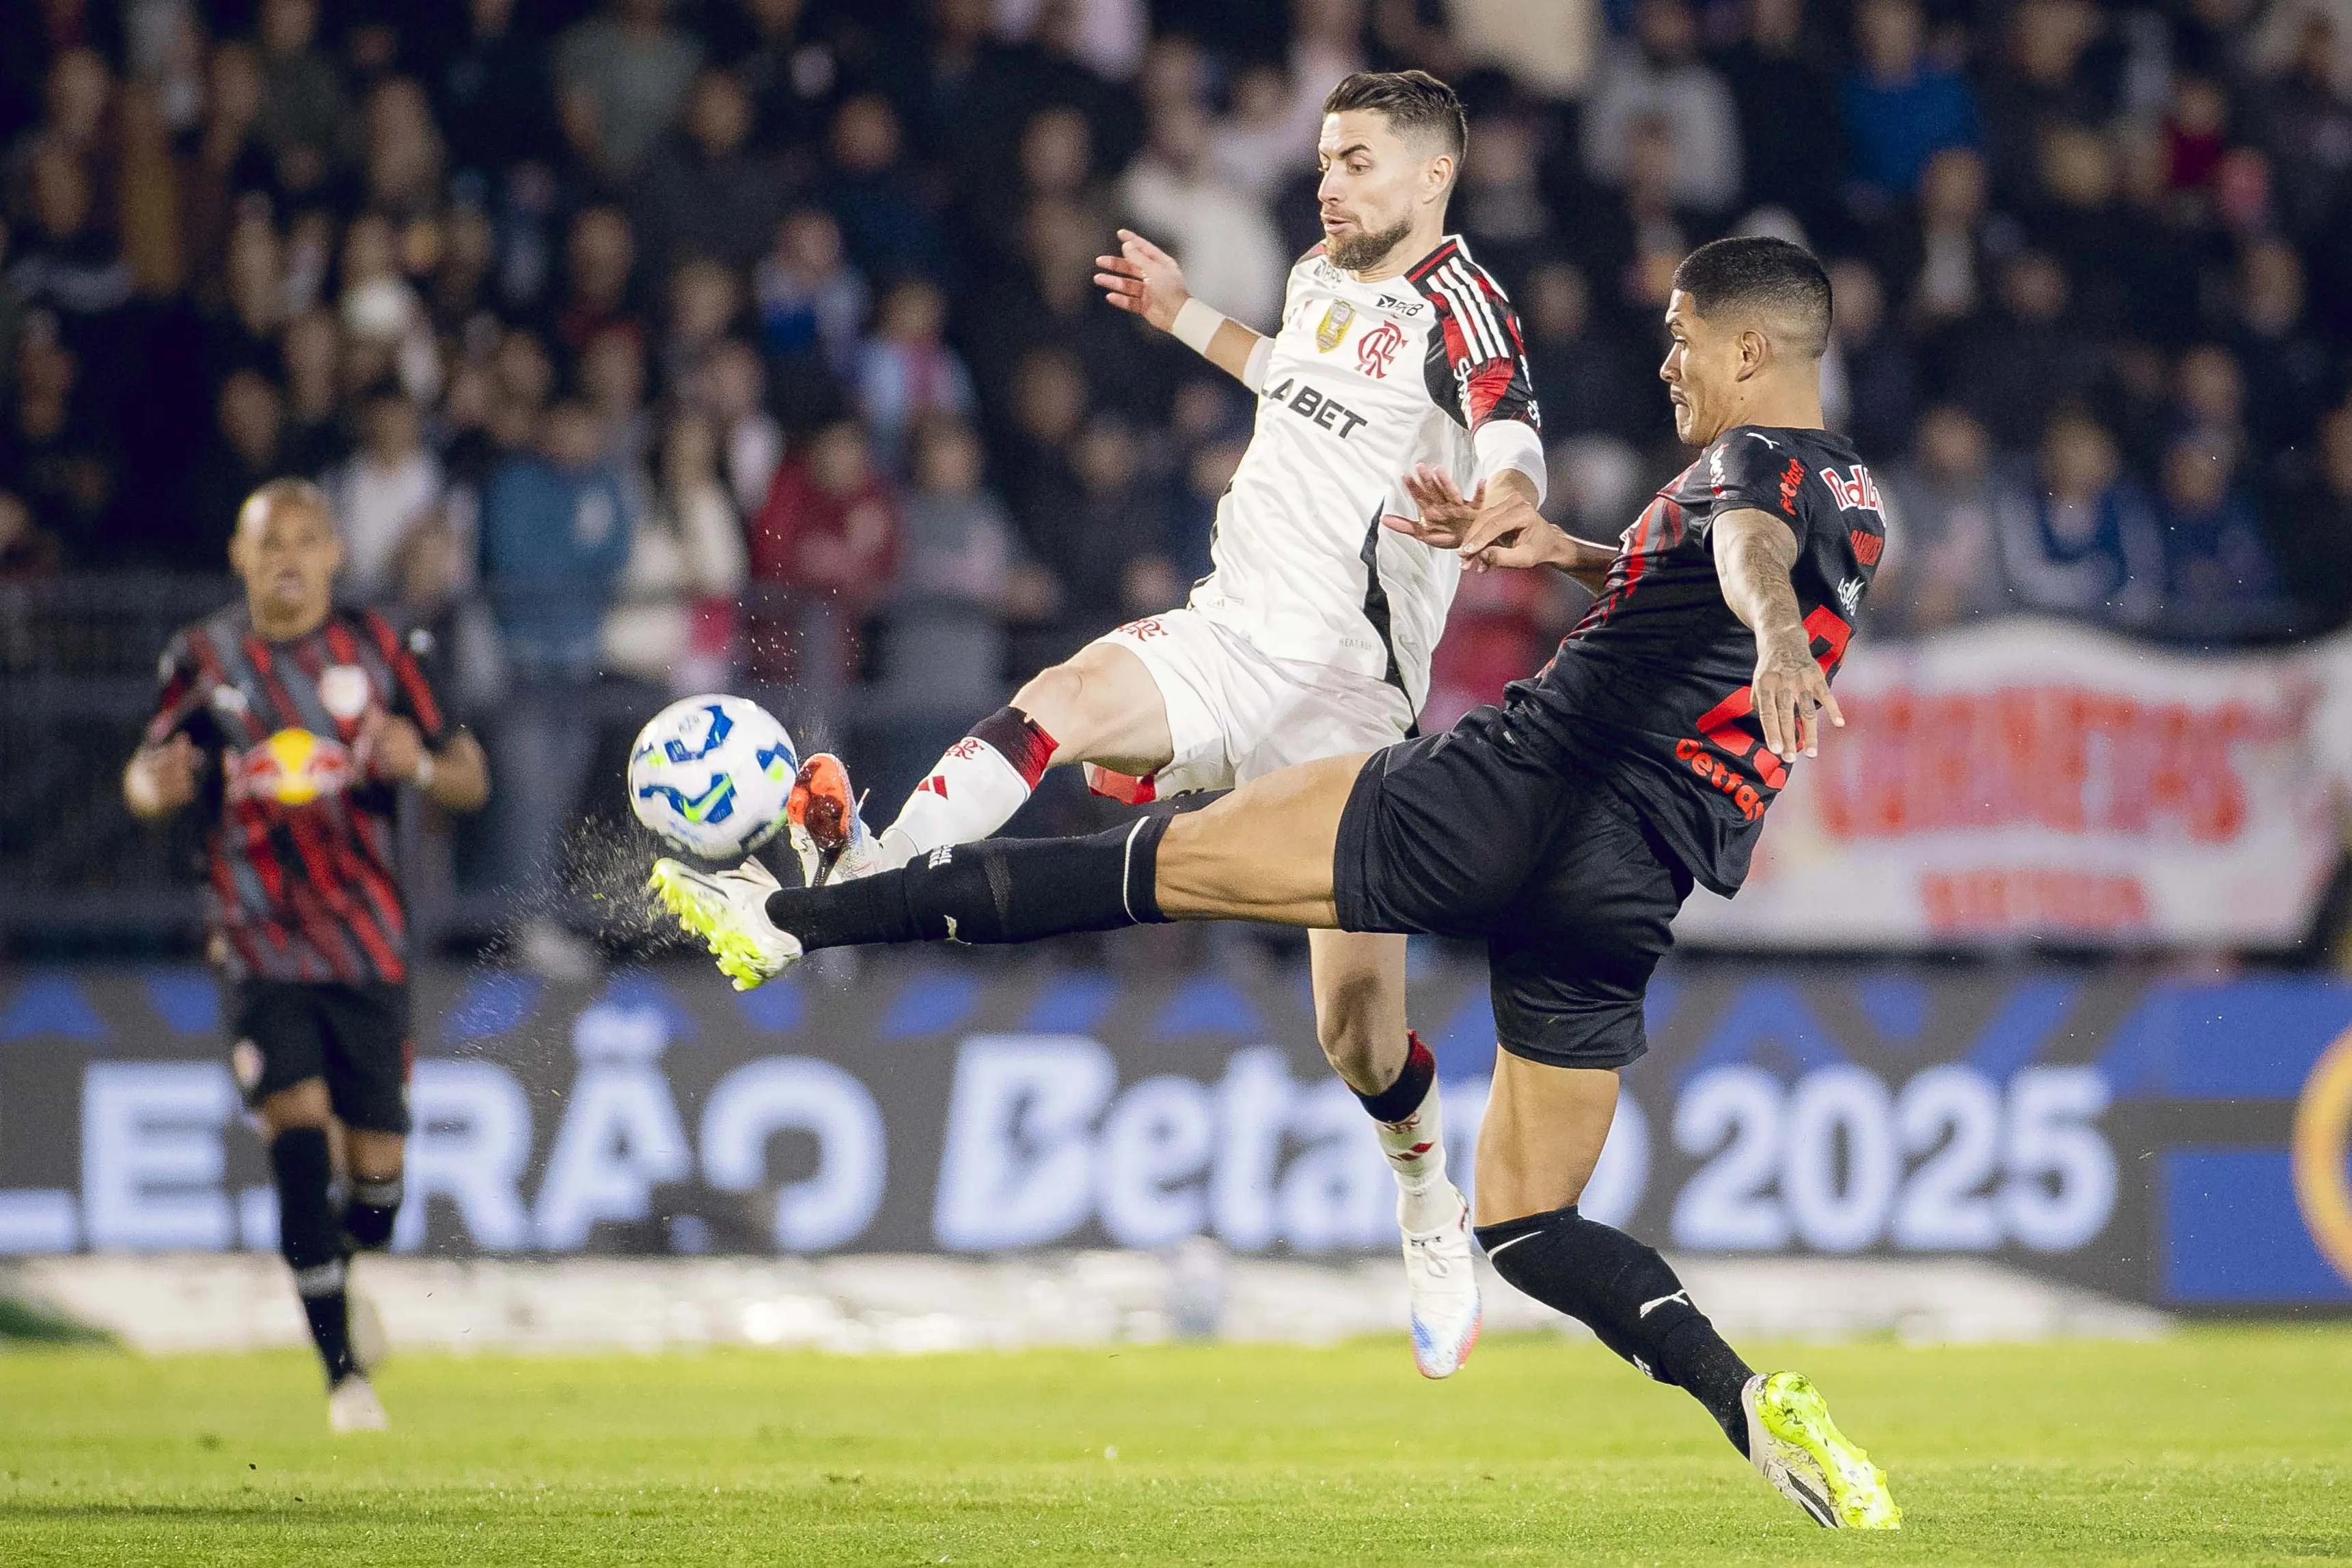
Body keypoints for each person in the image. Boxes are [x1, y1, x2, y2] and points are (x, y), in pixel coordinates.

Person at [652, 237, 1900, 1532]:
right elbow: (1707, 574)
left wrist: (1771, 639)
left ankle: (790, 918)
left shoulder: (1747, 470)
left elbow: (1746, 558)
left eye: (1684, 336)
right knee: (1530, 1221)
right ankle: (1745, 1402)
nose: (1667, 359)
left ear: (1749, 348)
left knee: (1142, 870)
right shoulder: (1853, 500)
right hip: (1623, 885)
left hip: (1511, 796)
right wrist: (1569, 552)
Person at [774, 70, 1550, 1383]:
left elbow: (1506, 420)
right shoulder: (1316, 274)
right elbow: (1294, 382)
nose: (1328, 183)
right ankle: (870, 866)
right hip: (1231, 629)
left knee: (1356, 1032)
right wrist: (1185, 314)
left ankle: (1427, 1203)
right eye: (1324, 158)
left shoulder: (1459, 298)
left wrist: (1506, 497)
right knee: (1065, 697)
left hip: (1348, 698)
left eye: (1357, 161)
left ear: (1433, 177)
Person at [122, 479, 490, 1432]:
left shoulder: (384, 648)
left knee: (377, 1186)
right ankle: (343, 1380)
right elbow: (144, 773)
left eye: (303, 539)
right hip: (254, 938)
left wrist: (417, 762)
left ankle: (344, 1260)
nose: (286, 557)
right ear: (239, 558)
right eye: (268, 542)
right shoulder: (202, 658)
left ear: (334, 554)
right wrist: (155, 787)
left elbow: (469, 774)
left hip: (366, 942)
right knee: (293, 1129)